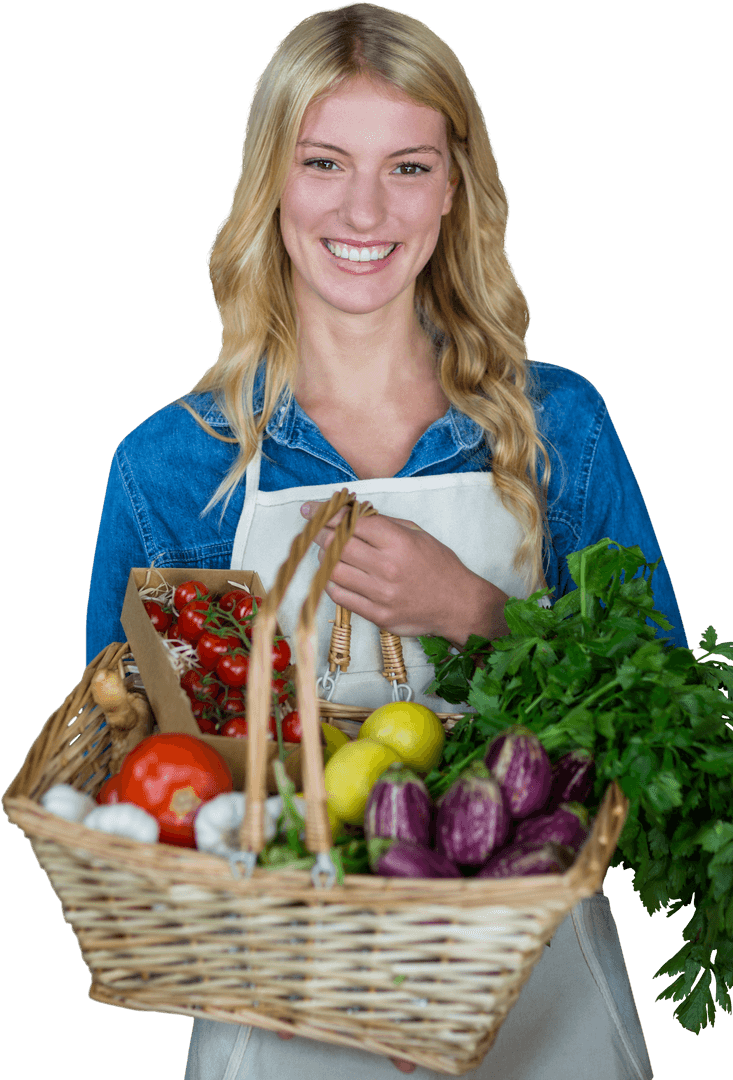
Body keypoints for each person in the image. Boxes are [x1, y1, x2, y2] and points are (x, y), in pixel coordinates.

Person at [86, 4, 685, 1077]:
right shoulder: (174, 469)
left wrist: (477, 615)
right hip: (286, 1008)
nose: (364, 207)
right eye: (324, 161)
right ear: (271, 180)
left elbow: (666, 737)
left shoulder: (557, 432)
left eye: (407, 167)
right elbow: (146, 774)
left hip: (536, 1002)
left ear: (455, 189)